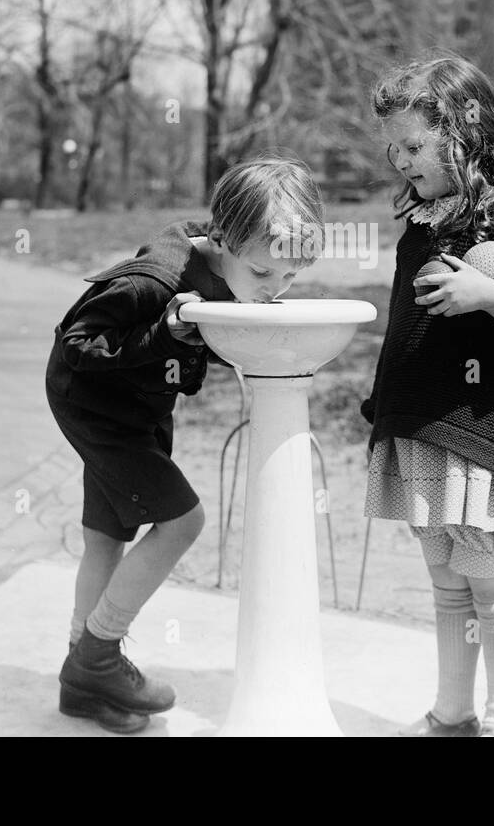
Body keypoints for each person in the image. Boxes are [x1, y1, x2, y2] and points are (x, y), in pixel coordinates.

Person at [46, 155, 324, 734]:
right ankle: (98, 656)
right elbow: (77, 341)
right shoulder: (153, 281)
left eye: (289, 278)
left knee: (107, 534)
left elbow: (213, 340)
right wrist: (162, 334)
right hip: (96, 404)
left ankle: (81, 681)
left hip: (139, 406)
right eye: (264, 275)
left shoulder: (230, 260)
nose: (274, 291)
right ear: (222, 239)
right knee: (182, 521)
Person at [359, 53, 494, 738]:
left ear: (467, 132)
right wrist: (382, 408)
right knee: (447, 585)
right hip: (420, 429)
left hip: (481, 435)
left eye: (416, 145)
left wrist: (490, 294)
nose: (402, 159)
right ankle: (452, 714)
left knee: (489, 581)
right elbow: (407, 327)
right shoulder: (419, 225)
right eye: (394, 146)